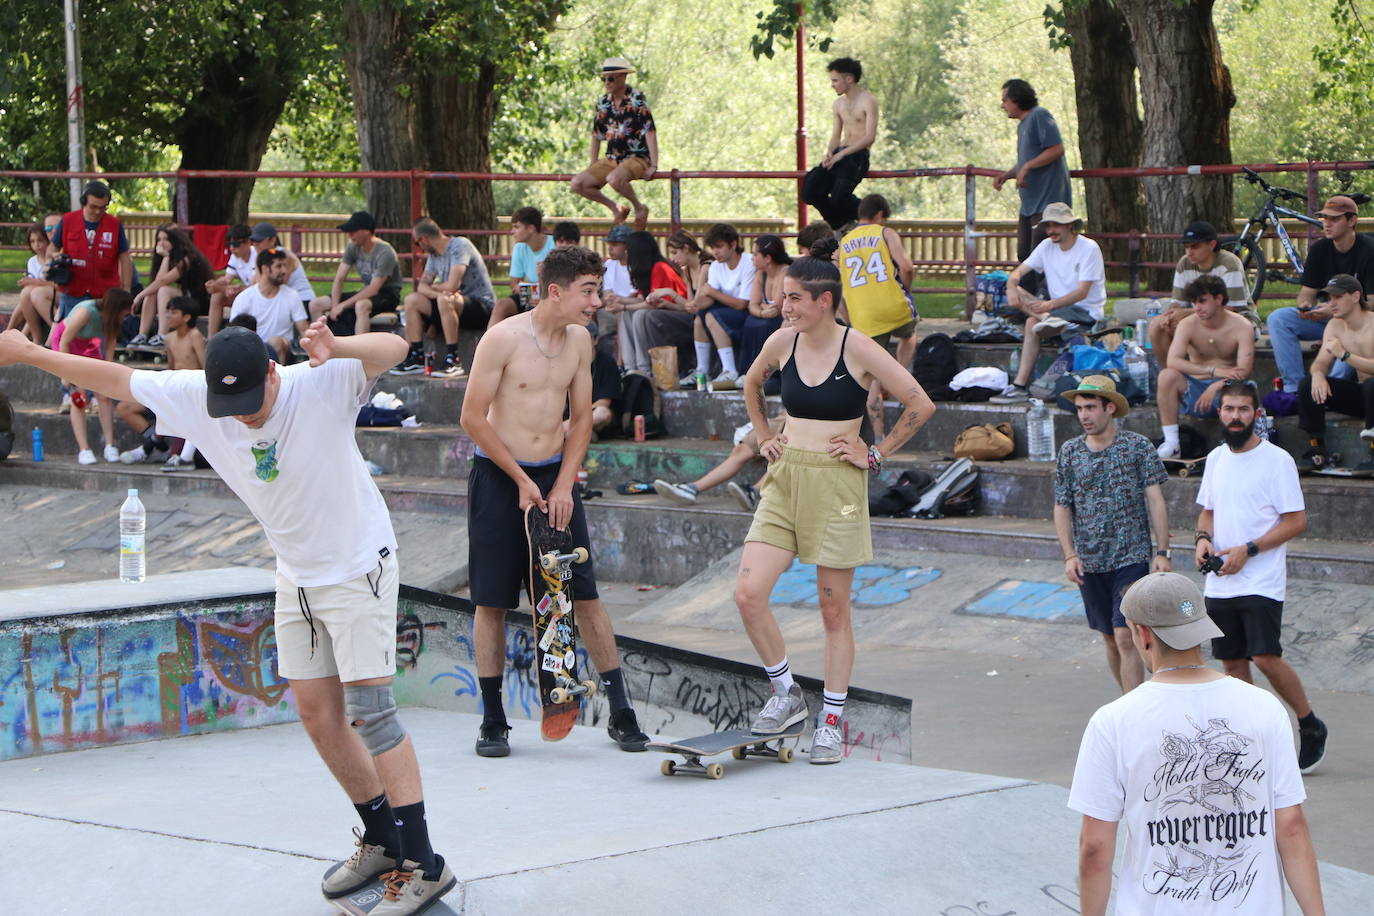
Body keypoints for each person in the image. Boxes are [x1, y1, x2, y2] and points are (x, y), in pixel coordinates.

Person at [0, 320, 456, 912]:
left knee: (371, 713)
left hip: (356, 567)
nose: (242, 417)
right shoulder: (198, 399)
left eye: (252, 401)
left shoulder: (319, 380)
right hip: (296, 573)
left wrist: (338, 346)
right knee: (317, 713)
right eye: (230, 406)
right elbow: (114, 378)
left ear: (274, 372)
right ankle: (382, 840)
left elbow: (394, 348)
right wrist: (33, 353)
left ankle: (425, 864)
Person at [734, 256, 936, 764]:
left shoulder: (860, 348)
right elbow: (751, 385)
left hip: (837, 483)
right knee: (747, 593)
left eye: (795, 297)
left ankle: (831, 721)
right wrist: (763, 435)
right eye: (783, 296)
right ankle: (786, 694)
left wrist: (875, 452)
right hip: (785, 478)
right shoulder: (782, 341)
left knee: (832, 611)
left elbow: (919, 403)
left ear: (825, 301)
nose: (784, 306)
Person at [459, 246, 650, 757]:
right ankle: (493, 718)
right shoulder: (502, 339)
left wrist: (563, 485)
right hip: (500, 478)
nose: (597, 301)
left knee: (581, 592)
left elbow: (583, 419)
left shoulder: (581, 342)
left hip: (555, 477)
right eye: (588, 291)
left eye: (598, 290)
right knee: (492, 600)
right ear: (555, 291)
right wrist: (521, 479)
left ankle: (621, 710)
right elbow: (472, 417)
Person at [1069, 572, 1326, 916]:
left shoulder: (1113, 721)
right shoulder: (1265, 708)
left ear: (1143, 634)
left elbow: (1095, 848)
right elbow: (1291, 827)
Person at [1195, 378, 1328, 774]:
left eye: (1243, 410)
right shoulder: (1217, 458)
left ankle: (1309, 723)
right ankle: (1249, 743)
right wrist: (1203, 540)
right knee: (1232, 664)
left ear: (1257, 414)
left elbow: (1296, 521)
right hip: (1220, 580)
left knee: (1265, 656)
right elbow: (1208, 511)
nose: (1236, 417)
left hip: (1261, 579)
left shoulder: (1277, 461)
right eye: (1229, 409)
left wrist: (1248, 550)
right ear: (1219, 412)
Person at [1053, 375, 1171, 693]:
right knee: (1109, 637)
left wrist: (1162, 552)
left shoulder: (1137, 447)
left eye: (1090, 407)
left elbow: (1156, 500)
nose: (1084, 416)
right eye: (1079, 409)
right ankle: (1127, 702)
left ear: (1109, 408)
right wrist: (1069, 554)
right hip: (1090, 560)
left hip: (1130, 555)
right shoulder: (1070, 452)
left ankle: (1136, 708)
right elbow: (1062, 506)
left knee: (1125, 634)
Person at [991, 202, 1106, 403]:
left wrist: (1048, 306)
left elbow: (1082, 293)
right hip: (1053, 310)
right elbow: (1016, 274)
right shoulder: (1045, 246)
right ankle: (1045, 319)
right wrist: (1011, 287)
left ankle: (1019, 385)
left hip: (1084, 312)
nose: (1051, 230)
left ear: (1070, 225)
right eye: (1048, 225)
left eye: (1056, 225)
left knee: (1030, 323)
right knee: (1017, 290)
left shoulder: (1089, 248)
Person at [1266, 195, 1374, 398]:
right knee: (1278, 318)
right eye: (1325, 218)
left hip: (1356, 323)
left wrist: (1338, 312)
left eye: (1334, 219)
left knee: (1348, 335)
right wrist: (1306, 308)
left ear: (1352, 221)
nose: (1327, 224)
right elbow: (1306, 293)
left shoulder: (1369, 251)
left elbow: (1372, 305)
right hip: (1326, 319)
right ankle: (1295, 388)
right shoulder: (1319, 249)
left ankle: (1331, 391)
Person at [839, 194, 918, 437]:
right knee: (909, 335)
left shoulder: (843, 242)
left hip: (863, 314)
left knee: (870, 376)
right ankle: (899, 383)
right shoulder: (885, 233)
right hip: (892, 304)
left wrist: (849, 317)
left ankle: (880, 434)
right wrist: (905, 289)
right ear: (880, 215)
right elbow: (906, 266)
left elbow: (839, 287)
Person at [1154, 276, 1255, 458]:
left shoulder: (1242, 326)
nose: (1196, 307)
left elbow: (1244, 370)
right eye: (1193, 302)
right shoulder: (1188, 324)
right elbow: (1173, 361)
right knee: (1166, 376)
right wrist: (1212, 371)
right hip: (1194, 387)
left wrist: (1216, 384)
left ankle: (1236, 445)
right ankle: (1172, 443)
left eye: (1202, 301)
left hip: (1227, 388)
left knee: (1247, 388)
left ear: (1219, 299)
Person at [992, 79, 1072, 298]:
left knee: (1042, 252)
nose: (1003, 106)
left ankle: (1046, 301)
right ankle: (1026, 303)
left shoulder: (1040, 116)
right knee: (1025, 253)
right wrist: (1008, 174)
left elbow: (1056, 149)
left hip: (1048, 202)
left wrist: (1027, 167)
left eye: (1005, 100)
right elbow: (1028, 158)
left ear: (1017, 99)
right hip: (1030, 202)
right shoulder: (1023, 125)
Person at [393, 219, 495, 376]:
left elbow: (453, 284)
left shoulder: (459, 245)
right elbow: (422, 286)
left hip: (480, 305)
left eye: (417, 242)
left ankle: (453, 359)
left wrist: (435, 290)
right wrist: (437, 292)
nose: (418, 247)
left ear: (425, 238)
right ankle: (417, 356)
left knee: (444, 299)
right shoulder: (434, 257)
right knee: (411, 300)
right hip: (451, 303)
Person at [1296, 274, 1374, 475]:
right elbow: (1320, 363)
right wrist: (1319, 376)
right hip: (1364, 399)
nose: (1332, 303)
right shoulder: (1335, 325)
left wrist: (1345, 355)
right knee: (1307, 384)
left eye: (1338, 297)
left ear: (1356, 296)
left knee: (1371, 385)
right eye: (1329, 298)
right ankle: (1317, 449)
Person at [117, 296, 204, 471]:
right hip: (171, 389)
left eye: (174, 312)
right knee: (125, 408)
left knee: (178, 411)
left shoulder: (195, 336)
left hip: (190, 392)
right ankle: (159, 446)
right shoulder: (169, 338)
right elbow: (171, 369)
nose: (168, 316)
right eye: (167, 312)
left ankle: (148, 449)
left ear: (187, 317)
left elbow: (205, 368)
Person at [570, 57, 658, 229]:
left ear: (623, 77)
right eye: (605, 78)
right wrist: (593, 163)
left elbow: (650, 131)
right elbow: (596, 134)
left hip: (636, 156)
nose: (607, 82)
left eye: (611, 78)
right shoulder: (603, 102)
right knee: (577, 184)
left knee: (614, 179)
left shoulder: (637, 99)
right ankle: (615, 208)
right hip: (611, 158)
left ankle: (638, 207)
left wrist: (654, 164)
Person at [1147, 221, 1253, 358]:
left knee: (1191, 327)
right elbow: (1177, 304)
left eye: (1195, 247)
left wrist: (1185, 313)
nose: (1189, 252)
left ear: (1212, 245)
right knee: (1157, 325)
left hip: (1235, 321)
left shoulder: (1229, 263)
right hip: (1199, 317)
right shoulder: (1184, 263)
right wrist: (1172, 316)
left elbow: (1231, 310)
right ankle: (1171, 374)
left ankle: (1200, 374)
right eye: (1186, 247)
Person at [49, 288, 129, 465]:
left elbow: (109, 345)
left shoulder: (112, 320)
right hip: (68, 345)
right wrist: (66, 374)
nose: (126, 316)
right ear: (116, 308)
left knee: (104, 396)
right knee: (79, 397)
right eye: (124, 313)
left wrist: (108, 371)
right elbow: (65, 341)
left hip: (89, 345)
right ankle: (84, 449)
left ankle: (110, 445)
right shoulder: (85, 312)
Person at [801, 58, 877, 229]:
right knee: (809, 191)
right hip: (840, 153)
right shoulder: (838, 104)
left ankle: (872, 215)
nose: (832, 85)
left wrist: (842, 154)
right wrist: (830, 152)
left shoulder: (868, 100)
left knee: (838, 197)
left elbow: (870, 137)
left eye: (835, 80)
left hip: (857, 155)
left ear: (849, 79)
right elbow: (836, 135)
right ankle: (841, 224)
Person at [654, 413, 787, 511]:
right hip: (787, 415)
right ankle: (692, 489)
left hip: (805, 424)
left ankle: (753, 492)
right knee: (741, 450)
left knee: (787, 450)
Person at [679, 223, 757, 389]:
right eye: (713, 247)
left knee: (711, 316)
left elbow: (742, 304)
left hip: (747, 314)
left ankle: (730, 370)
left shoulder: (748, 263)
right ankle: (702, 370)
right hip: (725, 312)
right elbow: (707, 297)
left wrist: (712, 293)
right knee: (700, 318)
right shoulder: (715, 266)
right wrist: (696, 305)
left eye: (719, 246)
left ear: (733, 244)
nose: (715, 252)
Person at [49, 180, 133, 321]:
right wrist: (57, 257)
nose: (98, 211)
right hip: (73, 290)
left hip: (105, 293)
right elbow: (51, 249)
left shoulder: (115, 225)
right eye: (93, 206)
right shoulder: (68, 220)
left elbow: (125, 259)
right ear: (84, 202)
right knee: (71, 336)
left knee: (103, 336)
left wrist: (126, 290)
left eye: (103, 207)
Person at [309, 211, 403, 336]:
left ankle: (360, 348)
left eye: (353, 231)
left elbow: (374, 289)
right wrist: (335, 305)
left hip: (387, 294)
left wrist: (342, 306)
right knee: (315, 304)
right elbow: (340, 278)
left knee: (361, 305)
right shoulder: (353, 247)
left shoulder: (385, 253)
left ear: (367, 231)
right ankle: (321, 343)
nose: (350, 235)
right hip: (366, 291)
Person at [615, 230, 689, 378]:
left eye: (629, 251)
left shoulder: (660, 267)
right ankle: (630, 367)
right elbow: (642, 299)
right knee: (626, 314)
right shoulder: (647, 269)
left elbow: (651, 304)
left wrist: (623, 305)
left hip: (680, 312)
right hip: (665, 311)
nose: (627, 255)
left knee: (640, 314)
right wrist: (618, 300)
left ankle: (644, 368)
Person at [128, 225, 213, 347]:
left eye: (166, 239)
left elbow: (162, 281)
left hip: (198, 301)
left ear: (175, 240)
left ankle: (162, 335)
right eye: (159, 239)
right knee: (153, 292)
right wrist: (166, 258)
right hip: (184, 297)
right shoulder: (166, 258)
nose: (161, 243)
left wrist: (139, 296)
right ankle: (142, 334)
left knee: (163, 290)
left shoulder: (187, 258)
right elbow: (157, 281)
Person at [229, 247, 310, 364]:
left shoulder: (292, 295)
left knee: (275, 342)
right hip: (252, 350)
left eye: (285, 266)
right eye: (279, 266)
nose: (284, 271)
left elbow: (303, 329)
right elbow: (234, 333)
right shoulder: (244, 298)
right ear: (265, 269)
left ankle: (279, 379)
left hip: (284, 350)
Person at [486, 207, 553, 329]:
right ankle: (487, 345)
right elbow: (514, 284)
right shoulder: (519, 248)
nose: (512, 231)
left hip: (552, 296)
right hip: (531, 295)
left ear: (531, 228)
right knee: (501, 305)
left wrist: (539, 295)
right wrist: (531, 292)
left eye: (516, 227)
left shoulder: (553, 245)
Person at [737, 234, 792, 374]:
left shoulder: (785, 271)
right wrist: (761, 311)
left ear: (767, 258)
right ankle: (747, 371)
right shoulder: (761, 273)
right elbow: (752, 305)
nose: (752, 258)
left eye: (755, 254)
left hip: (783, 318)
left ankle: (765, 372)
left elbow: (778, 308)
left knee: (764, 325)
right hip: (766, 316)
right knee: (750, 320)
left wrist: (761, 306)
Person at [248, 222, 317, 310]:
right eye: (253, 241)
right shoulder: (260, 257)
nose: (255, 244)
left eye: (259, 241)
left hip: (302, 299)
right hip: (282, 299)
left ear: (272, 240)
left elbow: (278, 283)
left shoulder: (284, 256)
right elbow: (257, 284)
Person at [11, 222, 59, 344]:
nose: (36, 245)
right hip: (34, 299)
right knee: (26, 295)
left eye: (40, 240)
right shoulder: (32, 261)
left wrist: (34, 282)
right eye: (32, 241)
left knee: (29, 294)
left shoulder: (54, 258)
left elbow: (56, 284)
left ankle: (20, 335)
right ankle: (12, 332)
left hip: (51, 295)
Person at [206, 224, 257, 337]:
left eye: (236, 244)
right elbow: (227, 278)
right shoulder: (235, 256)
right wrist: (215, 284)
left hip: (257, 294)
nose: (232, 248)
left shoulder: (256, 256)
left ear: (248, 242)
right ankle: (211, 338)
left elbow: (255, 287)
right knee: (217, 295)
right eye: (229, 244)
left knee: (234, 290)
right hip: (246, 293)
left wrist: (223, 287)